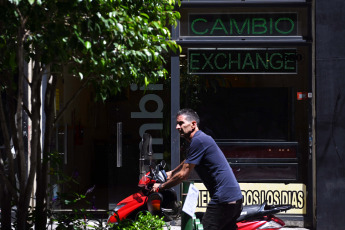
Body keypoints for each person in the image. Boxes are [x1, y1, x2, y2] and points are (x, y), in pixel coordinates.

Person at [152, 108, 243, 230]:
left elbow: (183, 175)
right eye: (177, 124)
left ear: (193, 124)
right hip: (232, 198)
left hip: (224, 199)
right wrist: (171, 172)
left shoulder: (198, 140)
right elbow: (189, 160)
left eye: (181, 123)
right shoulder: (200, 139)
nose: (177, 127)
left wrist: (161, 187)